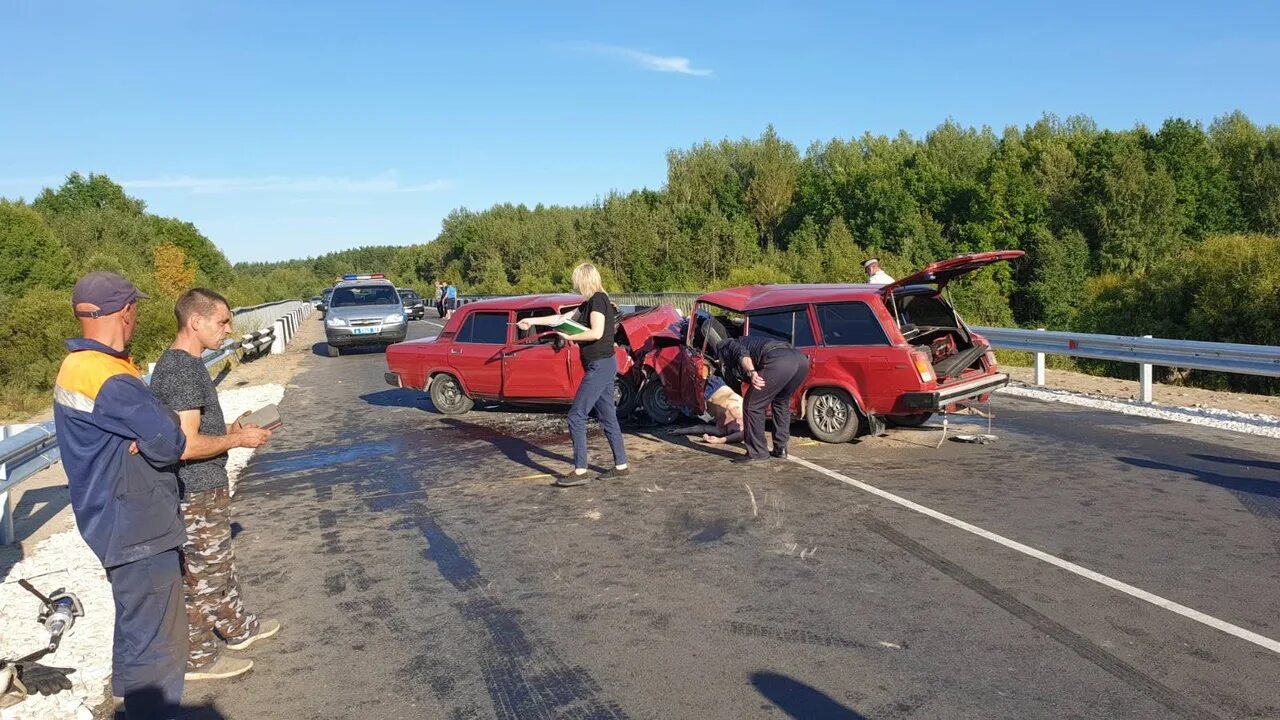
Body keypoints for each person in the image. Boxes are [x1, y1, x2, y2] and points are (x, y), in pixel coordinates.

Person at [52, 272, 188, 718]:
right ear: (127, 311)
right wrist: (151, 431)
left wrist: (145, 433)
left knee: (136, 633)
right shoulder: (108, 375)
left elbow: (153, 432)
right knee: (159, 649)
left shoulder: (80, 367)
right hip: (138, 525)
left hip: (111, 520)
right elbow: (170, 440)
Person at [149, 289, 280, 682]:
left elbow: (192, 430)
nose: (228, 330)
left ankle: (238, 629)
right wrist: (238, 441)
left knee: (220, 565)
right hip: (195, 489)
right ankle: (199, 659)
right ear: (195, 322)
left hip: (205, 485)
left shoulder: (184, 365)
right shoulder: (182, 370)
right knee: (203, 575)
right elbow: (185, 446)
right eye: (222, 322)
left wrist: (230, 430)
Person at [516, 262, 629, 486]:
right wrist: (532, 320)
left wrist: (569, 337)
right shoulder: (589, 303)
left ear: (584, 280)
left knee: (576, 416)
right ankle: (621, 465)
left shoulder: (597, 300)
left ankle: (580, 470)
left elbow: (596, 333)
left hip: (600, 365)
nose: (575, 285)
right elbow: (563, 319)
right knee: (608, 416)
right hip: (603, 364)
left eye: (576, 281)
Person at [700, 317, 810, 463]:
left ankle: (757, 453)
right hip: (800, 360)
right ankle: (780, 448)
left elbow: (742, 356)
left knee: (752, 405)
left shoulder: (728, 345)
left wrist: (752, 372)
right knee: (780, 401)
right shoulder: (750, 341)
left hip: (780, 360)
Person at [666, 376, 745, 445]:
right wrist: (720, 440)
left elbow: (702, 428)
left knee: (672, 386)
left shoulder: (722, 430)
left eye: (732, 430)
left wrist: (679, 431)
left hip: (700, 400)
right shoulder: (748, 413)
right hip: (715, 387)